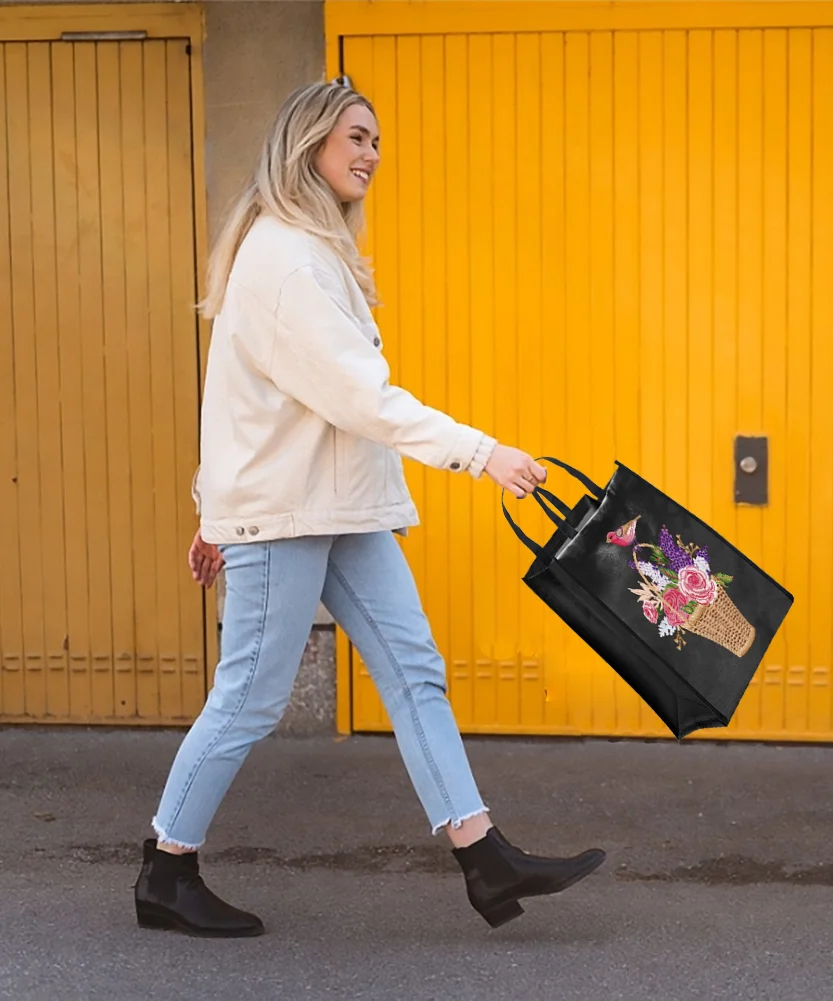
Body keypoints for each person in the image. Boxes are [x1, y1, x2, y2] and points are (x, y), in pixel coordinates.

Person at [133, 81, 605, 937]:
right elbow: (360, 396)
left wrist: (208, 507)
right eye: (356, 136)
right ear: (308, 140)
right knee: (247, 697)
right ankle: (166, 869)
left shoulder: (312, 251)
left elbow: (240, 399)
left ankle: (483, 856)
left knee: (413, 668)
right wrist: (480, 453)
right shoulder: (286, 258)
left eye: (377, 141)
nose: (371, 154)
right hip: (284, 514)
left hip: (339, 504)